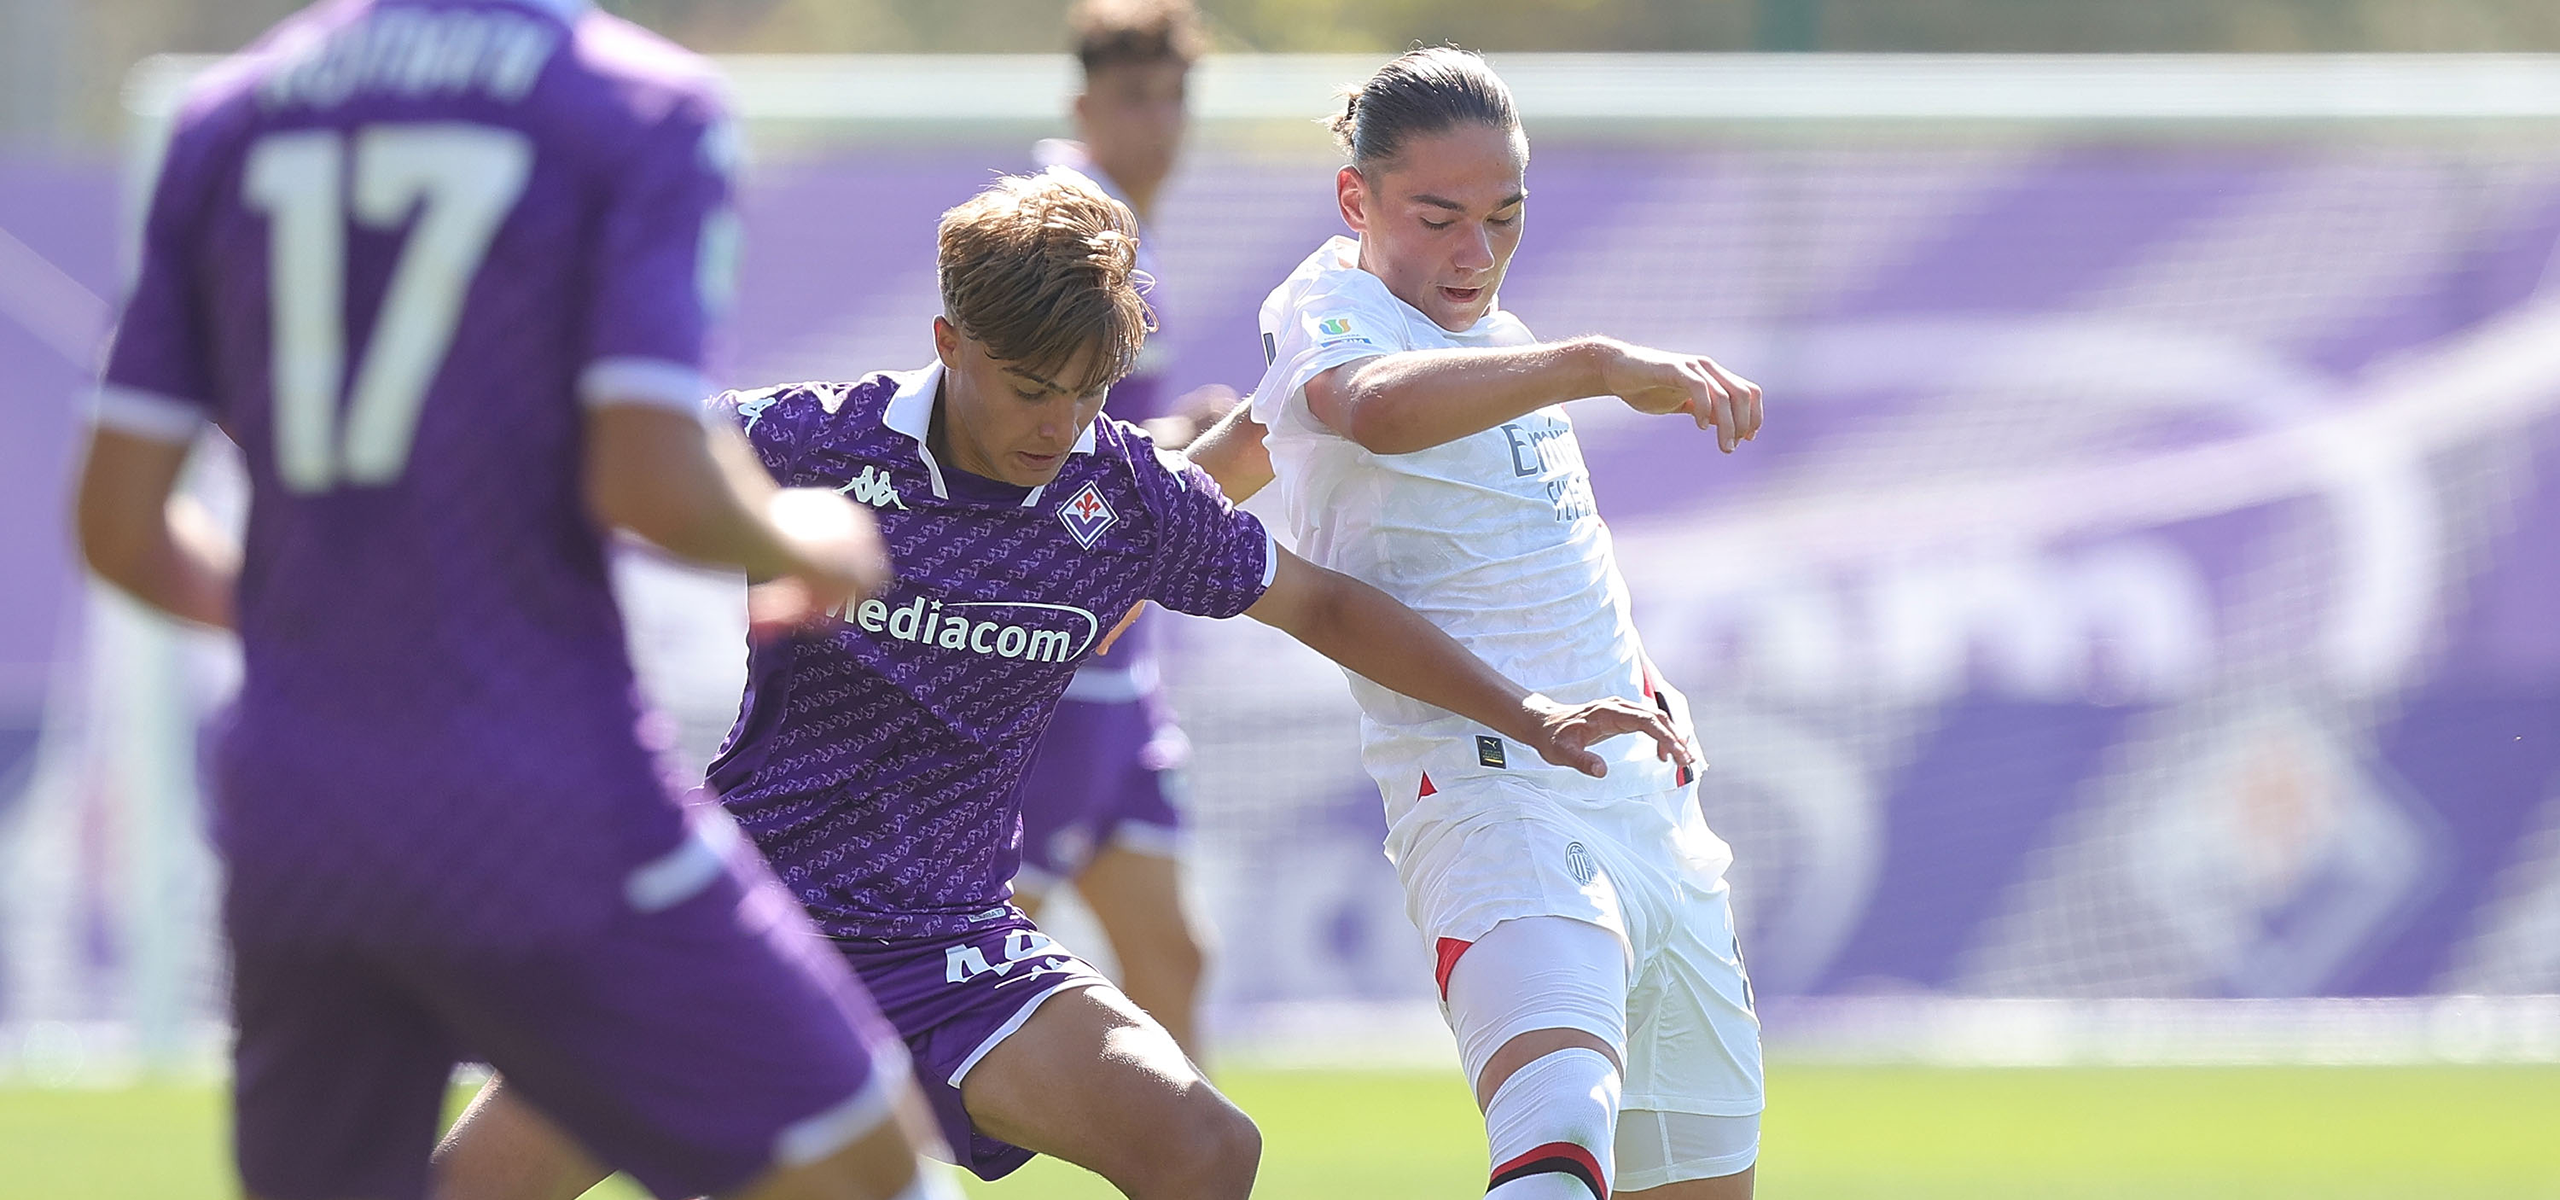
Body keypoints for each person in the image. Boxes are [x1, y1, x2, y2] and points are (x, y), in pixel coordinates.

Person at [428, 169, 1694, 1200]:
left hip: (944, 943)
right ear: (949, 343)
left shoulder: (1124, 492)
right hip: (745, 925)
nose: (1059, 424)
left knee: (1204, 1152)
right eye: (1032, 390)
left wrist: (1520, 709)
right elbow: (605, 464)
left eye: (1089, 393)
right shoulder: (812, 441)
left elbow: (1317, 599)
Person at [71, 2, 950, 1197]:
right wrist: (803, 532)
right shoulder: (635, 103)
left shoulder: (231, 115)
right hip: (540, 789)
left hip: (297, 808)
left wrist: (326, 627)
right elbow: (645, 474)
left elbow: (117, 529)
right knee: (868, 1170)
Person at [1186, 45, 1771, 1200]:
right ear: (1356, 199)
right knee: (1558, 1129)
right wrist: (1600, 364)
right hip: (1490, 793)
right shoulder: (1331, 305)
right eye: (1438, 216)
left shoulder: (1496, 344)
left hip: (1648, 816)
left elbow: (1249, 455)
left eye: (1503, 218)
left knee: (1689, 1181)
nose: (1475, 254)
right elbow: (1368, 413)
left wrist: (1640, 683)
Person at [1014, 0, 1228, 1058]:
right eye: (1136, 98)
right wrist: (1198, 448)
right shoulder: (1070, 236)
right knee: (981, 950)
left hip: (1121, 663)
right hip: (1057, 657)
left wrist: (1182, 439)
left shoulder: (1120, 235)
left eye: (1174, 97)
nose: (1161, 123)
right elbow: (1039, 449)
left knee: (1174, 959)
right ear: (1084, 106)